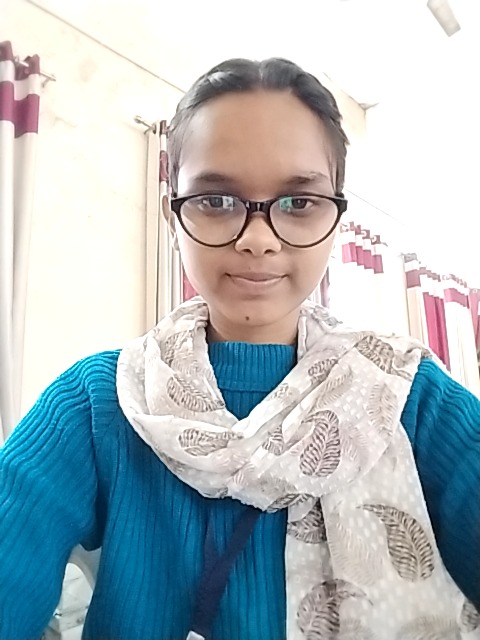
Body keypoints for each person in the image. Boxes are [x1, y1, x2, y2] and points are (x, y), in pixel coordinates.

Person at [0, 57, 479, 640]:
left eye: (298, 203)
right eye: (216, 200)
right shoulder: (97, 403)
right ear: (173, 215)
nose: (257, 240)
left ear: (335, 219)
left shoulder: (408, 396)